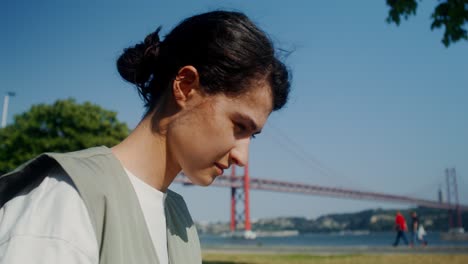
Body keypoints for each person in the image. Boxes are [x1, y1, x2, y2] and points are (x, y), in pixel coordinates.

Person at [0, 10, 290, 264]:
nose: (243, 157)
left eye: (252, 136)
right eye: (239, 125)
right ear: (186, 86)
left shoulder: (179, 219)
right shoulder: (65, 199)